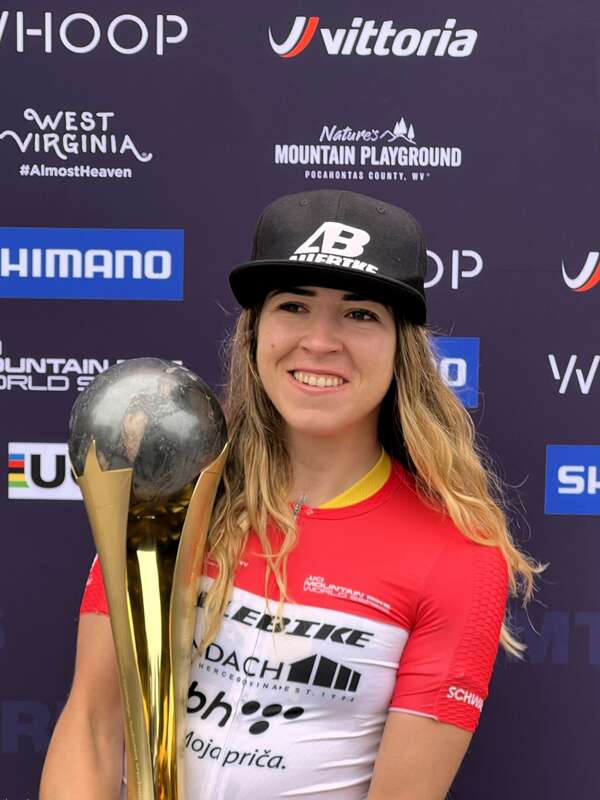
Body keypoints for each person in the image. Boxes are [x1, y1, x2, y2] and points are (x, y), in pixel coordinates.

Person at [40, 189, 541, 800]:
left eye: (360, 314)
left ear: (401, 349)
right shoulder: (166, 489)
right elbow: (93, 727)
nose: (320, 341)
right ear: (255, 332)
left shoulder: (458, 555)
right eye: (294, 306)